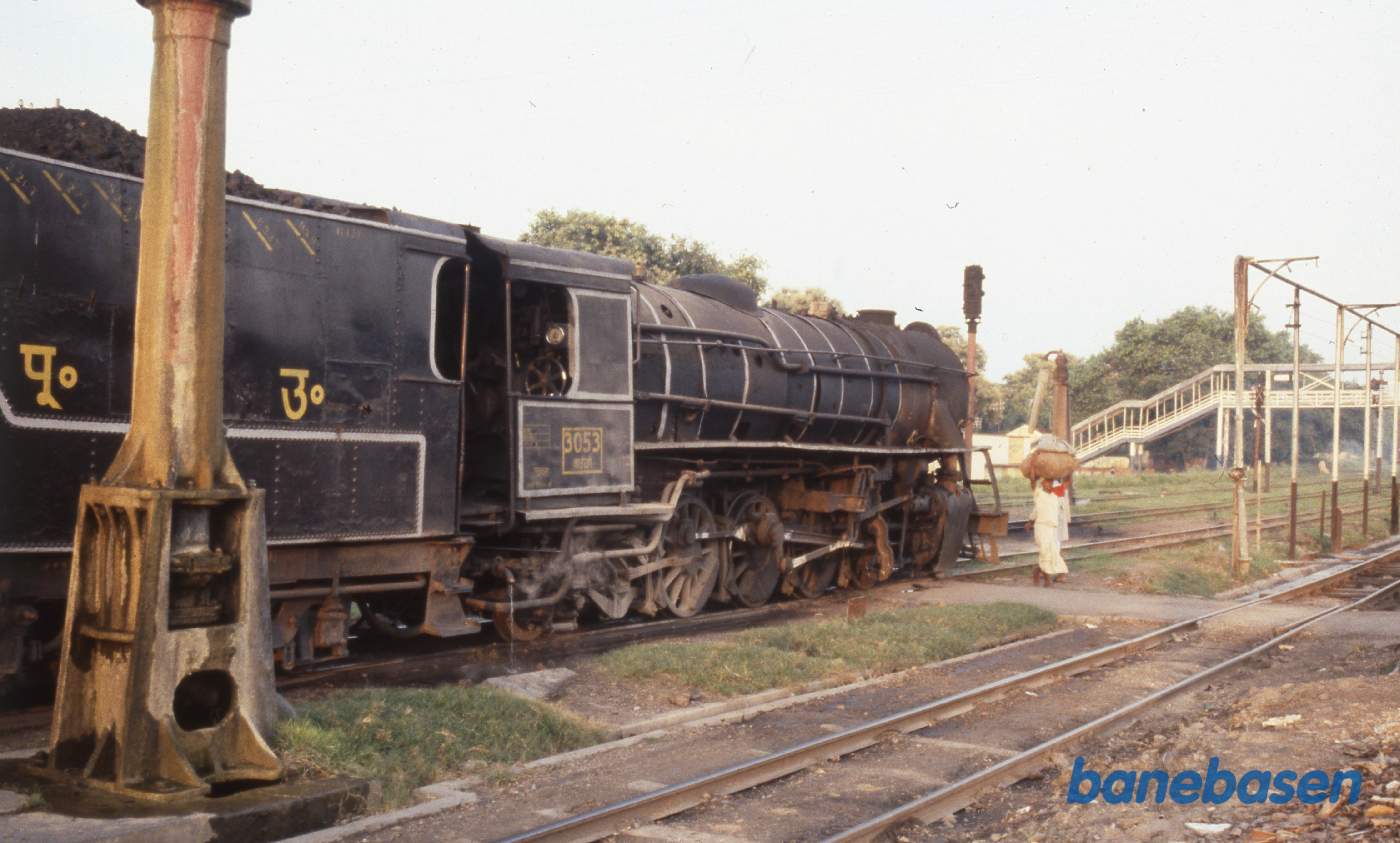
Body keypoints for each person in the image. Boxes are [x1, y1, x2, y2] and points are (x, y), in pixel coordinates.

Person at [1028, 477, 1068, 586]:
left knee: (1053, 553)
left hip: (1052, 528)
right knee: (1045, 552)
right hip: (1041, 527)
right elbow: (1033, 484)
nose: (1049, 486)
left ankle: (1037, 570)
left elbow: (1036, 510)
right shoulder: (1039, 494)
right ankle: (1047, 580)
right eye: (1047, 483)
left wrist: (1068, 473)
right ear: (1042, 484)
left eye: (1051, 484)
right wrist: (1030, 522)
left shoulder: (1055, 496)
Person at [1052, 477, 1071, 583]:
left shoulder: (1053, 489)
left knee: (1054, 548)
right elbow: (1066, 507)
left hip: (1054, 524)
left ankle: (1062, 573)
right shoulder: (1061, 488)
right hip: (1058, 523)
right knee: (1055, 547)